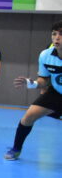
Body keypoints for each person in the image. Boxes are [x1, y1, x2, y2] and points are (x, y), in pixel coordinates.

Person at [4, 21, 62, 160]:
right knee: (28, 117)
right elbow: (43, 80)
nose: (57, 38)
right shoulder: (45, 55)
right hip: (56, 92)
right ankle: (16, 149)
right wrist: (31, 83)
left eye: (61, 34)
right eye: (54, 34)